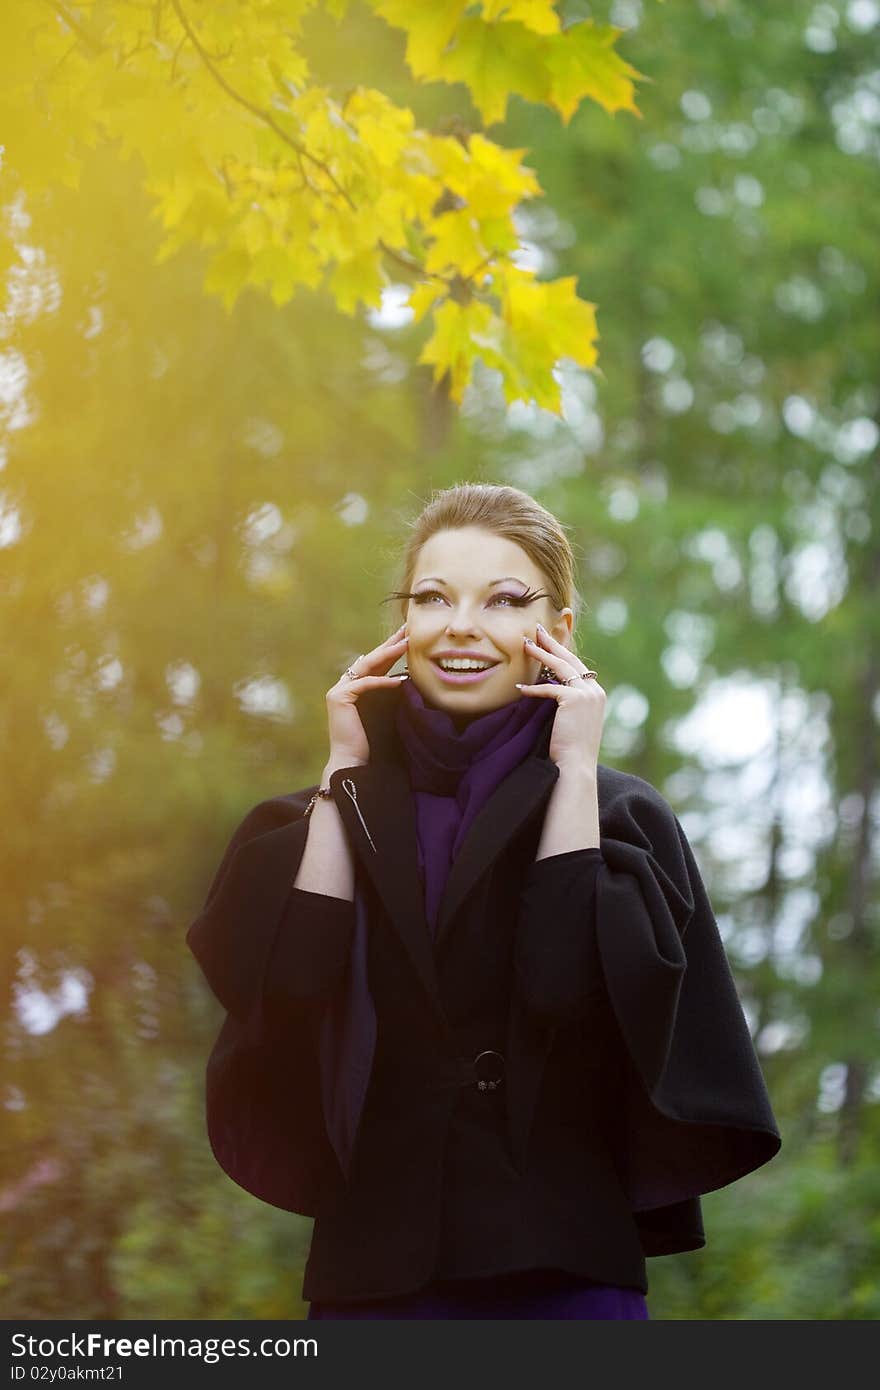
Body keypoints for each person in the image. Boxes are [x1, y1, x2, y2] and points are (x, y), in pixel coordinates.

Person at [186, 482, 781, 1320]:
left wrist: (573, 768)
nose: (461, 625)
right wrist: (339, 775)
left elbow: (558, 987)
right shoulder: (319, 810)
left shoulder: (621, 817)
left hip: (562, 1266)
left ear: (558, 632)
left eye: (503, 600)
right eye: (433, 597)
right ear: (402, 625)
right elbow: (292, 990)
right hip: (376, 1270)